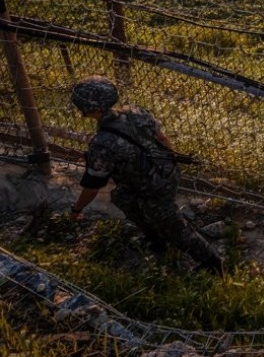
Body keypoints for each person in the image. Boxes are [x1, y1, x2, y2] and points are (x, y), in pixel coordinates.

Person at [68, 75, 224, 275]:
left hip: (153, 187)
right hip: (165, 173)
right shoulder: (136, 112)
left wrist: (76, 209)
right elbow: (163, 139)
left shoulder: (102, 144)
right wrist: (167, 166)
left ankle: (213, 264)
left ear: (89, 110)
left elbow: (92, 186)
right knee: (121, 197)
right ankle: (155, 238)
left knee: (176, 230)